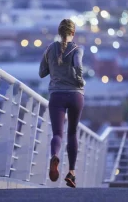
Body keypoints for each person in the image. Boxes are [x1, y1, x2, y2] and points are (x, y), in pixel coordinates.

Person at [39, 19, 85, 188]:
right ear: (73, 33)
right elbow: (78, 66)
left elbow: (42, 72)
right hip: (75, 95)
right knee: (72, 133)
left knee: (57, 134)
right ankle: (71, 173)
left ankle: (54, 155)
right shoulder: (77, 50)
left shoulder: (49, 49)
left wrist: (54, 67)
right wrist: (80, 80)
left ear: (59, 32)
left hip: (56, 95)